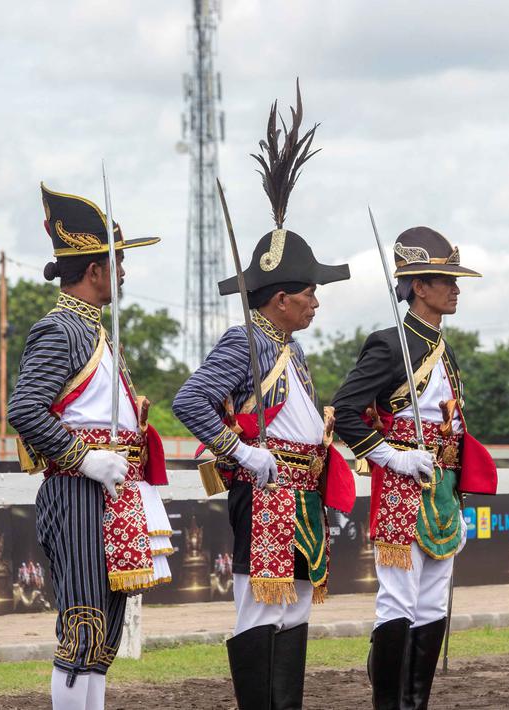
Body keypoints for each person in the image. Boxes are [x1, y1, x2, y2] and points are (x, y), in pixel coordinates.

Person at [172, 85, 355, 710]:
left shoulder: (291, 349)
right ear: (280, 297)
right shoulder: (241, 341)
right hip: (265, 489)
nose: (316, 301)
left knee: (297, 609)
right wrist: (240, 453)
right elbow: (191, 401)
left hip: (301, 494)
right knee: (259, 608)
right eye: (308, 292)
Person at [7, 183, 171, 710]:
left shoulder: (98, 332)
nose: (123, 273)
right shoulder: (60, 331)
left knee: (104, 636)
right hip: (79, 492)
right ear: (95, 269)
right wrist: (83, 456)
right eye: (117, 263)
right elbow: (25, 409)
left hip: (110, 491)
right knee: (83, 626)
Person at [332, 226, 498, 710]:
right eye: (444, 280)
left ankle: (414, 704)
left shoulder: (446, 350)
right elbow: (345, 410)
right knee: (398, 601)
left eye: (454, 280)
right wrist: (391, 455)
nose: (456, 288)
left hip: (442, 487)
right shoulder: (389, 344)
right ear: (418, 287)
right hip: (402, 486)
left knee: (431, 604)